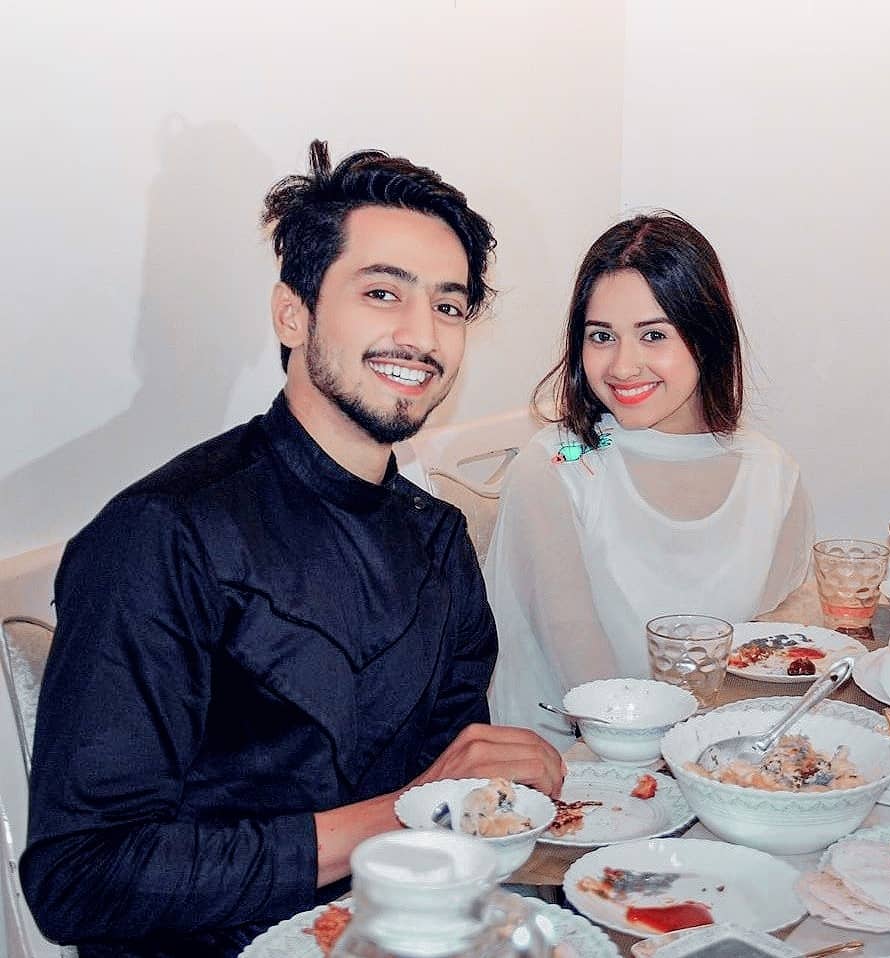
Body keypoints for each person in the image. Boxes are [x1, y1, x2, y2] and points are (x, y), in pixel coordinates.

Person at [20, 141, 563, 958]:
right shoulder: (163, 534)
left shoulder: (438, 539)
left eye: (449, 307)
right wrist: (401, 811)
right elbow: (79, 877)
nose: (421, 334)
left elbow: (455, 798)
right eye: (382, 292)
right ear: (292, 314)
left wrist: (498, 785)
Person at [486, 213, 814, 744]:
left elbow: (764, 659)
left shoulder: (771, 474)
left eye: (653, 335)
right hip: (581, 769)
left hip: (721, 750)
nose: (623, 366)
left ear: (706, 338)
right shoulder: (556, 467)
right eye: (602, 336)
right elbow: (590, 688)